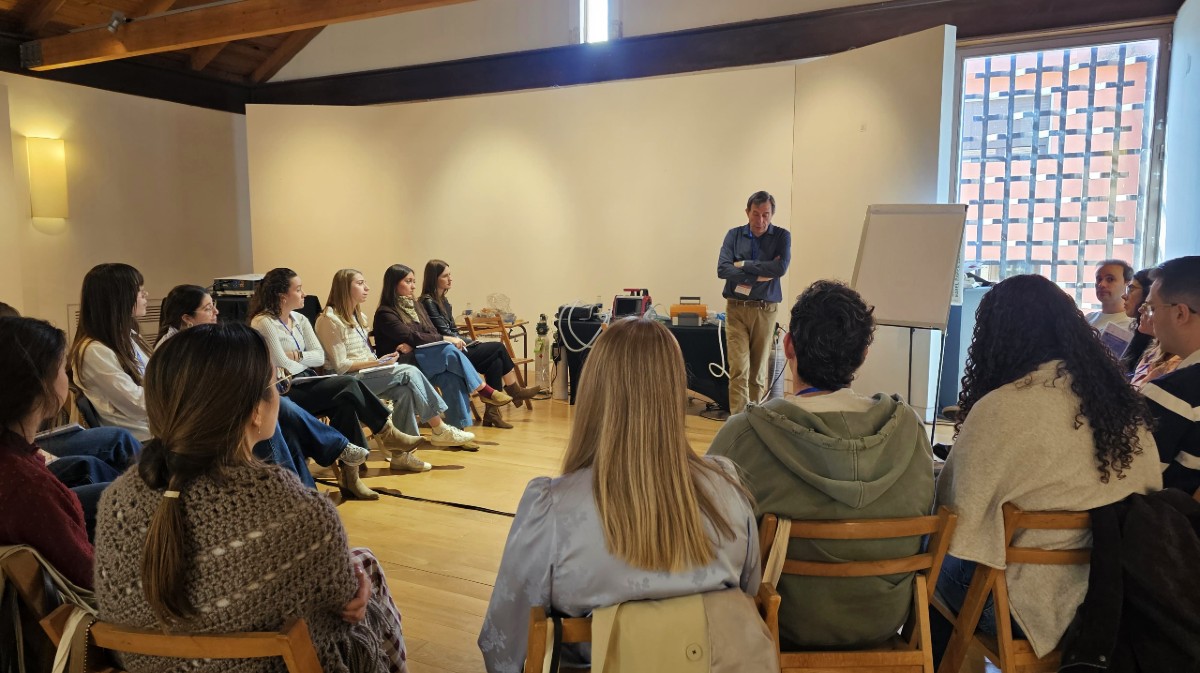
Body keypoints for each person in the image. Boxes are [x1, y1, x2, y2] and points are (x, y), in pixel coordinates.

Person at [94, 322, 408, 673]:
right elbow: (341, 615)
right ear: (256, 410)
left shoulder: (117, 502)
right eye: (277, 385)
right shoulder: (298, 515)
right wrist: (354, 589)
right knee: (366, 572)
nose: (280, 394)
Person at [478, 318, 761, 673]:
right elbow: (749, 598)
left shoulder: (551, 510)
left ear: (594, 392)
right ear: (675, 390)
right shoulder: (726, 487)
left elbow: (504, 645)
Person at [932, 274, 1161, 663]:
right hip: (1113, 603)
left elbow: (956, 525)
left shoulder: (1002, 408)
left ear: (993, 338)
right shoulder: (1122, 407)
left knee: (925, 555)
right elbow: (1150, 499)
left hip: (1022, 610)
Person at [708, 280, 933, 650]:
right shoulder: (911, 434)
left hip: (782, 623)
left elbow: (702, 535)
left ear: (788, 346)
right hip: (884, 619)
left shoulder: (744, 435)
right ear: (862, 355)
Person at [158, 283, 386, 492]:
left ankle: (306, 494)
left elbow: (317, 357)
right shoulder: (173, 349)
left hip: (258, 395)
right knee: (286, 403)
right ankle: (342, 450)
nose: (216, 312)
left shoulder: (199, 340)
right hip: (207, 418)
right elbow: (196, 394)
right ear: (187, 318)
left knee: (315, 411)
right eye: (208, 308)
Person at [250, 268, 432, 481]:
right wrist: (300, 357)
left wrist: (296, 356)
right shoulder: (263, 322)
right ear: (282, 296)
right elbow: (281, 363)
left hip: (310, 380)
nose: (304, 294)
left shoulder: (299, 319)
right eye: (298, 289)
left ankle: (351, 476)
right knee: (349, 384)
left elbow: (318, 357)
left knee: (344, 404)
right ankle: (388, 432)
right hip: (286, 389)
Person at [316, 268, 478, 456]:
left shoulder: (359, 317)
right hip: (346, 381)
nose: (367, 288)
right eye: (360, 284)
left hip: (367, 374)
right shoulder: (329, 320)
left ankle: (403, 456)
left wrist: (382, 361)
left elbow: (423, 334)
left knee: (405, 391)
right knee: (410, 371)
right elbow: (342, 366)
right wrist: (378, 363)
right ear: (344, 288)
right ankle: (440, 428)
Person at [0, 316, 104, 588]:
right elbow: (90, 577)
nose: (67, 377)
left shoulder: (20, 465)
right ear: (39, 383)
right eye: (62, 368)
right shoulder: (28, 487)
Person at [373, 264, 511, 429]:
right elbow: (413, 336)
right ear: (394, 284)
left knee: (451, 377)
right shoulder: (385, 313)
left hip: (422, 360)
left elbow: (427, 331)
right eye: (408, 281)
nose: (413, 286)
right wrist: (426, 340)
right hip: (402, 365)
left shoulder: (415, 306)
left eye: (414, 281)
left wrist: (413, 343)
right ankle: (484, 390)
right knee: (447, 348)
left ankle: (458, 430)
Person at [419, 259, 541, 428]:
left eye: (450, 275)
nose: (450, 279)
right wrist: (467, 342)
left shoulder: (444, 302)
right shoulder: (428, 302)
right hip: (449, 352)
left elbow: (453, 329)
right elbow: (444, 332)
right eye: (445, 276)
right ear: (434, 279)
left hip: (459, 345)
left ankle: (492, 415)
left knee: (495, 362)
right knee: (499, 347)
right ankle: (515, 391)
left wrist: (469, 341)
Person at [717, 190, 791, 414]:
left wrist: (742, 265)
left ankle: (755, 423)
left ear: (772, 213)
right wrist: (759, 273)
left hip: (764, 310)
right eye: (756, 214)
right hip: (736, 309)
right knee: (739, 369)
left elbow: (780, 268)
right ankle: (738, 424)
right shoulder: (734, 235)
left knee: (757, 373)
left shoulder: (782, 236)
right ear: (747, 212)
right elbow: (722, 269)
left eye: (766, 215)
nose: (760, 221)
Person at [68, 263, 154, 441]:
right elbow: (138, 405)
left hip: (152, 427)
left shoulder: (128, 337)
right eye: (140, 290)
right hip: (139, 437)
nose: (146, 294)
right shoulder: (94, 351)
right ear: (118, 298)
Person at [1139, 256, 1200, 494]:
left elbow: (1131, 479)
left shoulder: (1174, 392)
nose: (1150, 320)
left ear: (1180, 314)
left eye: (1152, 308)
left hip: (1177, 526)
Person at [1121, 269, 1182, 390]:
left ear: (1180, 314)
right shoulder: (1154, 350)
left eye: (1151, 307)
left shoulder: (1177, 364)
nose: (1141, 310)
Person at [1085, 258, 1133, 331]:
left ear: (1127, 284)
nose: (1101, 284)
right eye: (1099, 279)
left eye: (1110, 279)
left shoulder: (1131, 325)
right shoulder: (1089, 318)